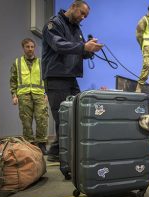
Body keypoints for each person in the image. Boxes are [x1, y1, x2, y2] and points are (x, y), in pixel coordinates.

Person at [42, 0, 103, 162]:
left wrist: (90, 50)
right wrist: (83, 47)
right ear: (73, 7)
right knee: (63, 117)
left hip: (70, 78)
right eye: (82, 13)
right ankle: (61, 154)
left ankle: (55, 150)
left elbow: (79, 50)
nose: (83, 17)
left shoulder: (77, 29)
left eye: (86, 16)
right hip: (56, 77)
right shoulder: (53, 24)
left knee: (76, 113)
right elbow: (59, 45)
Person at [9, 38, 48, 154]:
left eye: (32, 47)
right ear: (23, 48)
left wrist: (47, 93)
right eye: (28, 47)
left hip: (39, 94)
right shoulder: (17, 62)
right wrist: (14, 95)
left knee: (42, 119)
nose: (30, 49)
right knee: (26, 121)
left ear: (34, 48)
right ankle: (29, 144)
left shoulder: (41, 62)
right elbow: (13, 80)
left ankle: (41, 144)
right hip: (23, 95)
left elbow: (46, 79)